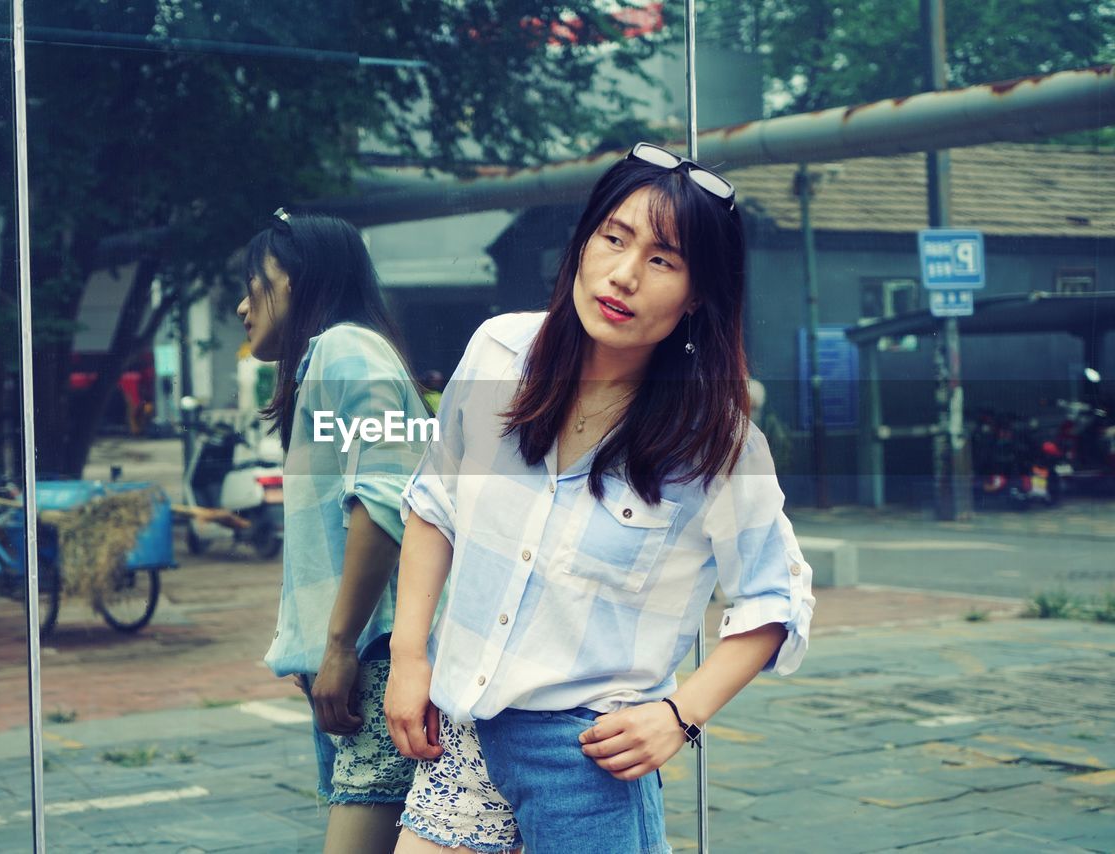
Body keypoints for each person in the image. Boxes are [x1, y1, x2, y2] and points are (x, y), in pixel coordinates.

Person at [384, 143, 816, 854]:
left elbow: (776, 599)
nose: (623, 275)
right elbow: (435, 502)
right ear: (583, 241)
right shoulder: (499, 353)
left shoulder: (718, 443)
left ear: (697, 294)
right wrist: (408, 658)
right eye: (613, 239)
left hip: (588, 757)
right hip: (459, 739)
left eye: (663, 260)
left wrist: (682, 714)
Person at [236, 209, 430, 853]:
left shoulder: (347, 351)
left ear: (293, 279)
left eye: (253, 283)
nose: (242, 305)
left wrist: (341, 646)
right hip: (366, 657)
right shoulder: (333, 359)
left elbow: (380, 504)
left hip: (375, 658)